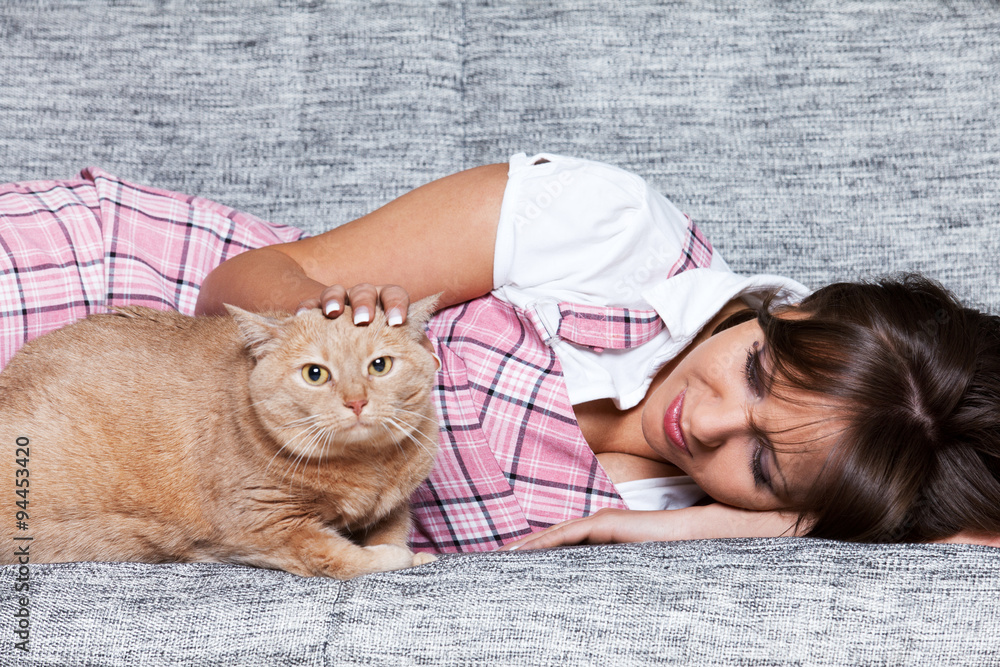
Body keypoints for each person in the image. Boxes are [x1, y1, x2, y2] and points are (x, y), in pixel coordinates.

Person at [3, 155, 998, 553]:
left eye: (764, 461)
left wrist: (761, 526)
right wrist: (335, 323)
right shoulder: (617, 236)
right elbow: (238, 285)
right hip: (112, 287)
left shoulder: (708, 515)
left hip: (127, 486)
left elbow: (976, 539)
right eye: (755, 373)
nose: (704, 421)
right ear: (793, 312)